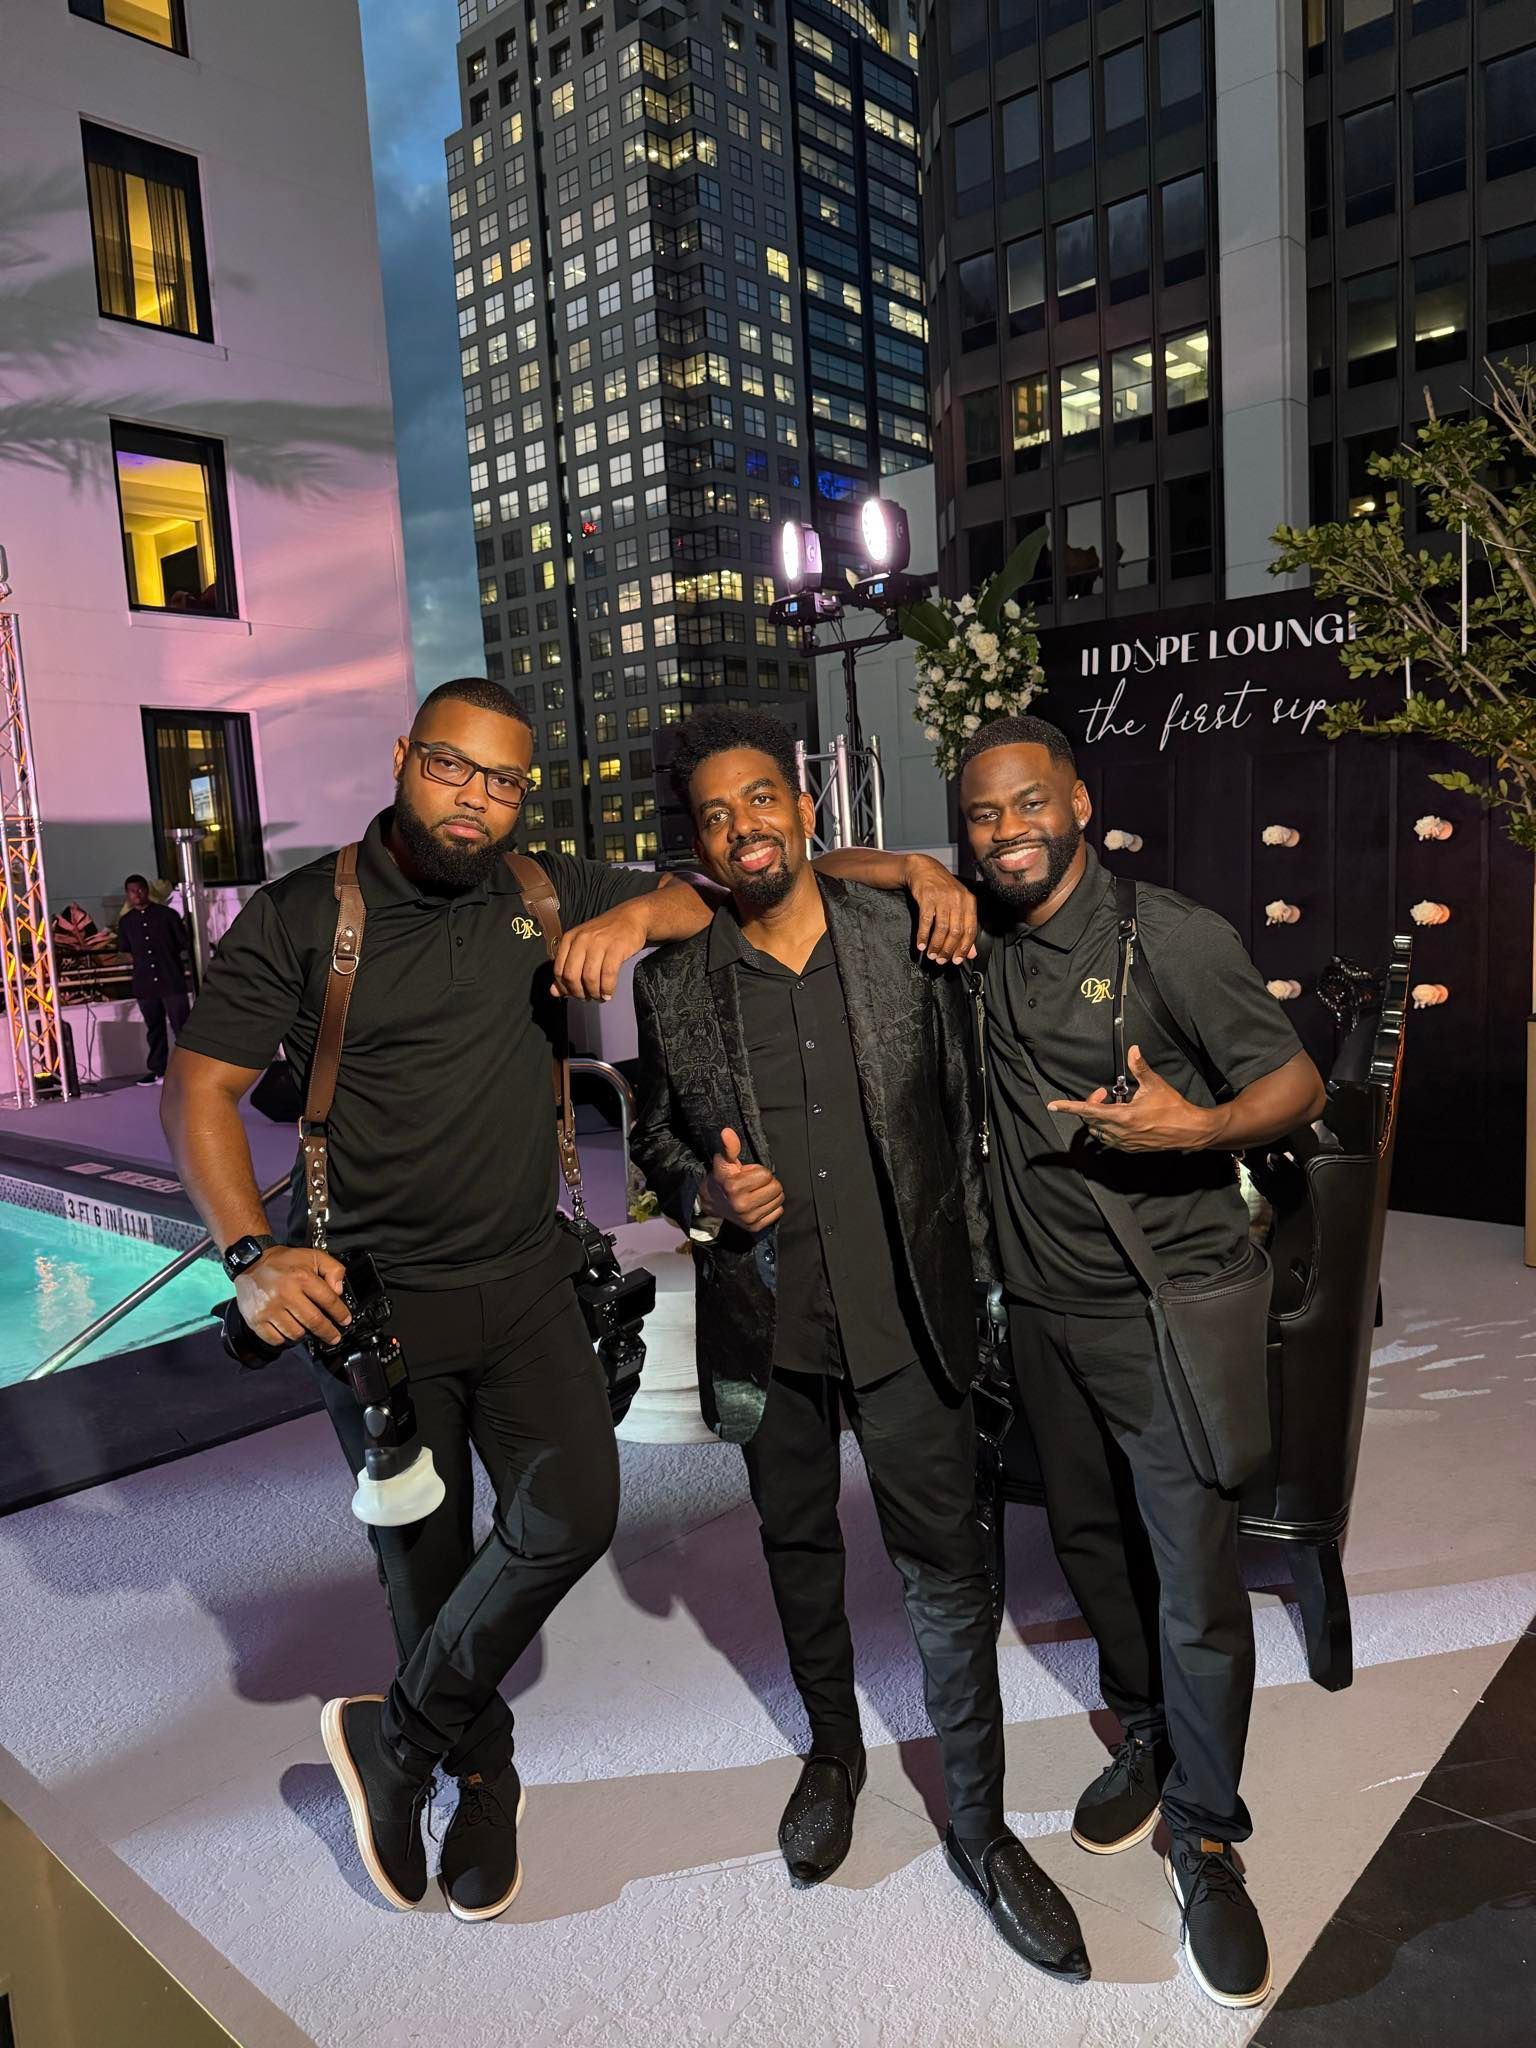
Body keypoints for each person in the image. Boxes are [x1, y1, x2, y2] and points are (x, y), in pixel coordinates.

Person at [160, 677, 735, 1925]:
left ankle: (398, 1740)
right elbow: (198, 1089)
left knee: (572, 1513)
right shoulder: (306, 915)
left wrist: (636, 914)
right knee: (424, 1563)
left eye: (505, 779)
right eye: (451, 766)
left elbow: (699, 896)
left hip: (529, 1281)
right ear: (403, 756)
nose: (476, 798)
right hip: (374, 1305)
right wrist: (251, 1251)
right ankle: (482, 1770)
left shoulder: (543, 886)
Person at [631, 708, 1091, 1983]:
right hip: (767, 1326)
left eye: (760, 798)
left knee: (947, 1570)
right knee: (798, 1551)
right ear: (700, 846)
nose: (743, 826)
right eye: (715, 815)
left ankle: (982, 1826)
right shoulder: (673, 983)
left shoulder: (908, 936)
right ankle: (832, 1752)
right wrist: (703, 1192)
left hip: (908, 1311)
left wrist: (920, 867)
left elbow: (970, 1108)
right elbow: (654, 1136)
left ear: (806, 809)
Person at [957, 714, 1326, 2011]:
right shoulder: (979, 936)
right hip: (1041, 1312)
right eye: (983, 814)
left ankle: (1210, 1839)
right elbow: (859, 875)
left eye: (1028, 803)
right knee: (1088, 1544)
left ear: (1078, 801)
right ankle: (1150, 1730)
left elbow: (1297, 1086)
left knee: (1194, 1580)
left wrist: (1196, 1127)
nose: (1008, 830)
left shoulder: (1169, 937)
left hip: (1164, 1308)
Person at [117, 874, 193, 1085]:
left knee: (182, 1026)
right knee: (154, 1028)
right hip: (145, 983)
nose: (137, 894)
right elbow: (126, 950)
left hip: (170, 979)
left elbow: (182, 943)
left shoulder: (167, 915)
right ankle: (159, 1069)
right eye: (132, 891)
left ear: (146, 890)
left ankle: (189, 1070)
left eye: (140, 889)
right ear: (128, 895)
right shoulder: (126, 922)